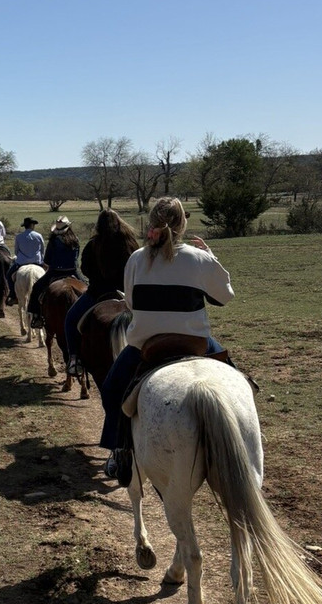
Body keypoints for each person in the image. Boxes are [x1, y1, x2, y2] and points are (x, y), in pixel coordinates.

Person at [99, 196, 235, 485]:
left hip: (146, 346)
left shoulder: (136, 259)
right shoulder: (200, 258)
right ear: (182, 223)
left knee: (112, 390)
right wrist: (211, 256)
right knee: (237, 380)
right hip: (196, 342)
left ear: (151, 224)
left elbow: (132, 305)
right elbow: (225, 296)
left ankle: (121, 451)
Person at [63, 209, 140, 377]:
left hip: (98, 294)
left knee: (70, 319)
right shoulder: (130, 241)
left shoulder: (93, 244)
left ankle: (75, 359)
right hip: (127, 293)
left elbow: (85, 269)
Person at [27, 216, 81, 327]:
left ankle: (37, 317)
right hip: (72, 271)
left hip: (55, 272)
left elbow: (47, 260)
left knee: (37, 288)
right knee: (88, 289)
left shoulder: (53, 241)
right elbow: (76, 257)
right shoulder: (75, 239)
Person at [6, 217, 44, 305]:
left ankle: (13, 295)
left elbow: (16, 251)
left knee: (8, 276)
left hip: (21, 263)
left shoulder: (19, 237)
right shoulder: (39, 236)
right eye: (33, 224)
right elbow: (42, 251)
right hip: (37, 262)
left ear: (25, 226)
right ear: (31, 225)